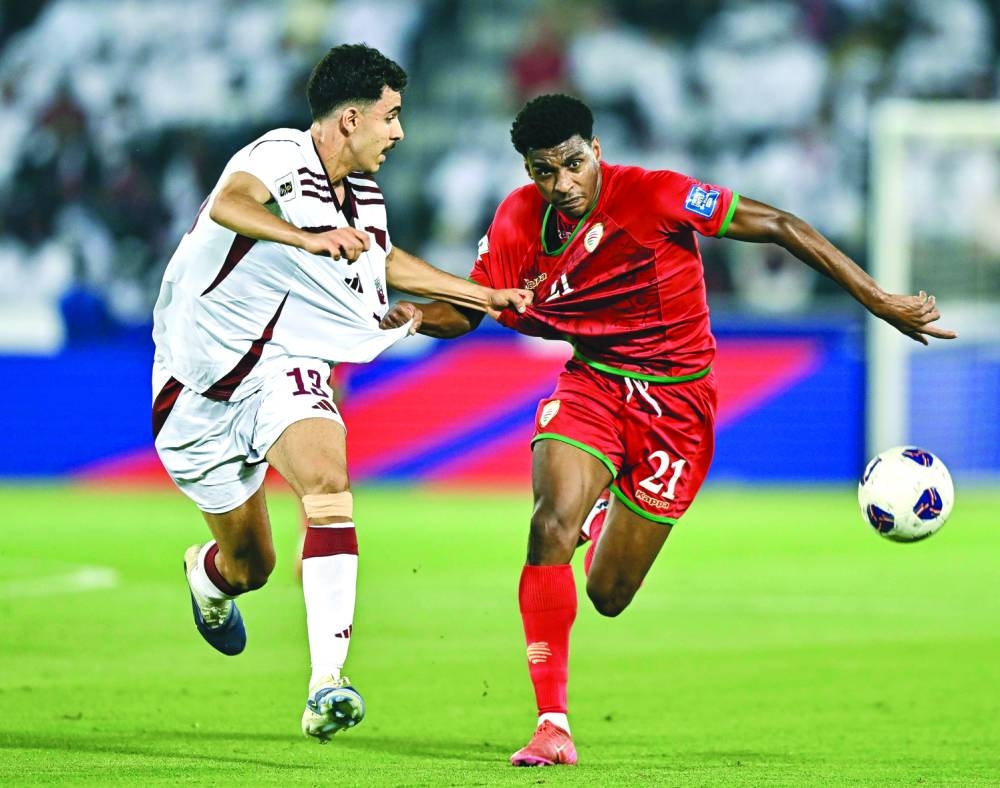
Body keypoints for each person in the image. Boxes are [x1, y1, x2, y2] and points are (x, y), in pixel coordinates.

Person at [383, 93, 956, 766]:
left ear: (596, 152)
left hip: (678, 411)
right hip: (594, 384)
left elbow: (779, 224)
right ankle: (552, 724)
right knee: (549, 525)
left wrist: (878, 299)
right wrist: (416, 315)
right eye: (544, 170)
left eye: (573, 164)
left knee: (608, 595)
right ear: (529, 171)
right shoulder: (517, 220)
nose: (562, 183)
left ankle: (603, 514)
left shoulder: (655, 195)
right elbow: (471, 310)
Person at [150, 43, 531, 743]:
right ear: (350, 118)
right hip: (195, 388)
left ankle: (326, 683)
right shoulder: (280, 154)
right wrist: (306, 238)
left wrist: (482, 295)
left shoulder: (367, 198)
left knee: (328, 485)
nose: (399, 132)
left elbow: (385, 263)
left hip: (283, 368)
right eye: (391, 116)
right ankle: (208, 577)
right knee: (250, 566)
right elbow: (231, 204)